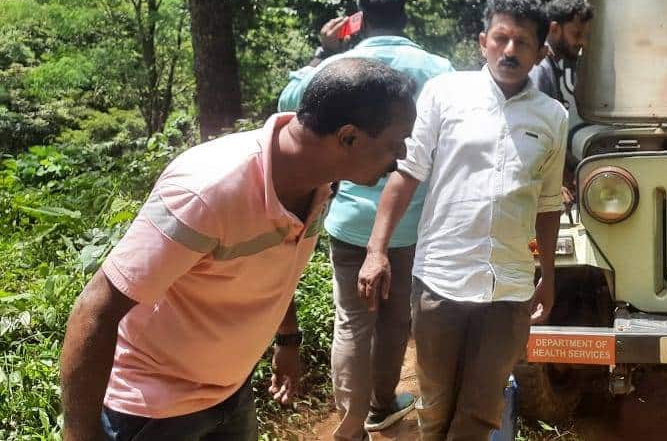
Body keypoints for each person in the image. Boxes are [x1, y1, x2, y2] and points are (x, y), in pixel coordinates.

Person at [59, 58, 417, 441]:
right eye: (395, 142)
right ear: (348, 138)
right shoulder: (207, 191)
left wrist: (287, 338)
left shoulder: (318, 181)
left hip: (232, 391)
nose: (401, 157)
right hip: (154, 411)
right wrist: (81, 432)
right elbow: (96, 306)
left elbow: (277, 263)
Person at [358, 0, 567, 441]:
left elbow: (548, 205)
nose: (509, 51)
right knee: (434, 408)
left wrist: (547, 276)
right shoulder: (444, 94)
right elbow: (406, 175)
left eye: (522, 43)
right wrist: (376, 250)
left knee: (480, 412)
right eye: (501, 38)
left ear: (539, 52)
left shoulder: (553, 116)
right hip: (440, 281)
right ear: (482, 41)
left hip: (509, 290)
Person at [279, 0, 453, 440]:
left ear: (359, 17)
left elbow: (289, 104)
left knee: (353, 319)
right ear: (405, 13)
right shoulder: (438, 68)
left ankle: (350, 424)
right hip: (411, 220)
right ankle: (381, 404)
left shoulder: (337, 65)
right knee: (396, 316)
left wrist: (323, 52)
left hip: (350, 220)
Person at [529, 0, 593, 210]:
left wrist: (579, 168)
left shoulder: (553, 67)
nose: (582, 42)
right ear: (554, 29)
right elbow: (535, 136)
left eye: (586, 35)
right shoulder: (540, 70)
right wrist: (553, 184)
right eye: (576, 34)